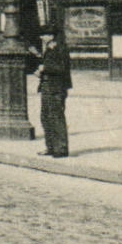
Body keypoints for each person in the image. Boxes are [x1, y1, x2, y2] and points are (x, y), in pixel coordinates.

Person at [35, 28, 73, 157]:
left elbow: (62, 68)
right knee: (46, 117)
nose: (41, 37)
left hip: (57, 88)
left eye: (43, 34)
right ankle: (50, 147)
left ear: (51, 36)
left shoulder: (60, 49)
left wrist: (45, 68)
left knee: (56, 117)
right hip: (47, 86)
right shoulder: (49, 49)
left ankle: (61, 148)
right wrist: (41, 72)